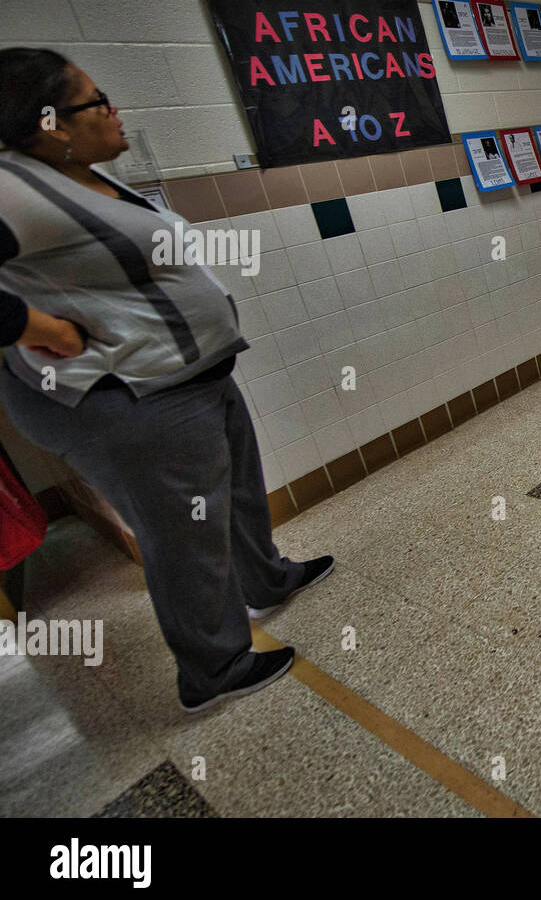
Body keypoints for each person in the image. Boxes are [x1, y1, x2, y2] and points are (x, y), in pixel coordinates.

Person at [0, 48, 332, 713]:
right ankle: (213, 665)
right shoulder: (11, 189)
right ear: (48, 123)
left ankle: (265, 577)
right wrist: (40, 326)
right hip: (129, 395)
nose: (114, 111)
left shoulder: (75, 176)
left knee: (236, 489)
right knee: (182, 528)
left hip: (190, 374)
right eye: (97, 101)